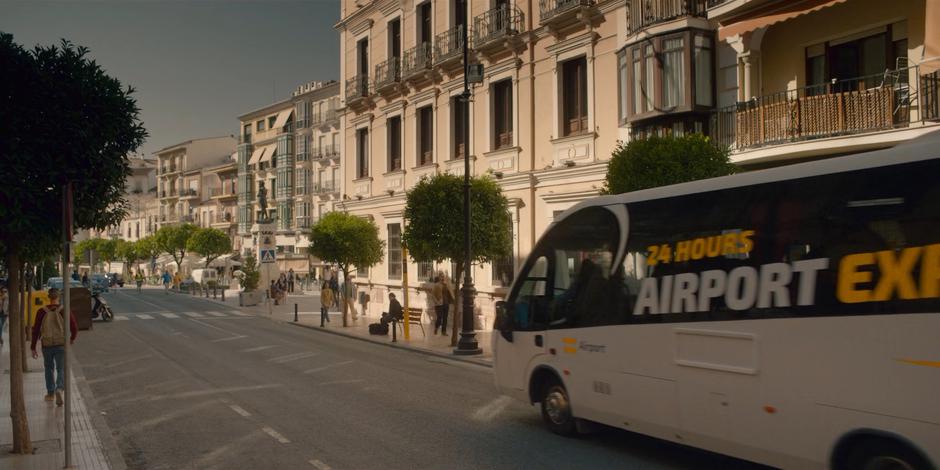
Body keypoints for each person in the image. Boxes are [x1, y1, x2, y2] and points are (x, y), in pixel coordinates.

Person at [30, 288, 77, 407]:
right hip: (61, 343)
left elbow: (35, 330)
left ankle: (50, 393)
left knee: (48, 368)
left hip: (47, 345)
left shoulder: (41, 311)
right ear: (58, 297)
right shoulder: (64, 310)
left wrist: (33, 347)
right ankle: (59, 389)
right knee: (61, 368)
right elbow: (74, 327)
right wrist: (71, 339)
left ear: (48, 297)